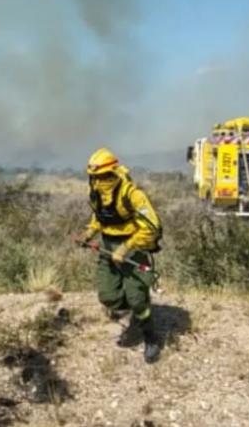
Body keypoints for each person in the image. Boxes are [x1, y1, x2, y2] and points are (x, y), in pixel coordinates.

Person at [74, 148, 163, 363]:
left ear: (112, 172)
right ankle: (132, 307)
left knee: (137, 299)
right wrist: (88, 232)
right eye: (95, 177)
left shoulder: (132, 194)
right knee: (108, 297)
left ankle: (151, 338)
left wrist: (126, 248)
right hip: (108, 244)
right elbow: (100, 217)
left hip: (133, 247)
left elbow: (152, 227)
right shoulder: (96, 192)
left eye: (102, 176)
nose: (98, 181)